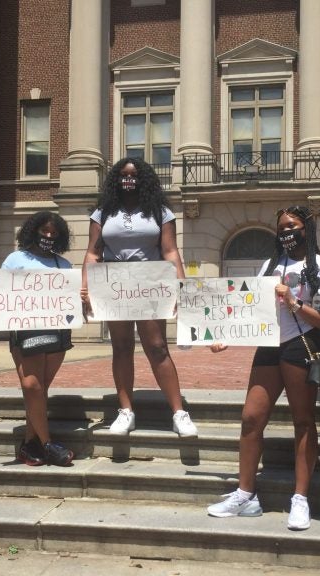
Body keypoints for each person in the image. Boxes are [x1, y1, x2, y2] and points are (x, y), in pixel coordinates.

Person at [206, 205, 320, 530]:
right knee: (251, 418)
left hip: (301, 346)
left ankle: (300, 498)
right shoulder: (269, 264)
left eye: (292, 226)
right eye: (281, 227)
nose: (286, 232)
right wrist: (225, 335)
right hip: (268, 346)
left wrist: (294, 303)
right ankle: (246, 493)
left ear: (306, 229)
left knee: (303, 422)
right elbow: (249, 307)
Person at [81, 157, 198, 438]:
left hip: (150, 281)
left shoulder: (160, 211)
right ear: (115, 179)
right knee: (120, 347)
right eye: (122, 175)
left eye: (133, 175)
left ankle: (179, 412)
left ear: (143, 179)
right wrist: (84, 286)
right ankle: (126, 411)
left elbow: (170, 251)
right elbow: (93, 253)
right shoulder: (103, 212)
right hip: (113, 282)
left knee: (157, 347)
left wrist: (181, 285)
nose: (128, 179)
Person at [0, 211, 75, 467]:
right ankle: (48, 445)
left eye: (54, 233)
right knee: (32, 387)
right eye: (45, 231)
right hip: (25, 331)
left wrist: (81, 298)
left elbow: (71, 300)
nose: (49, 236)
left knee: (39, 389)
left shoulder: (63, 265)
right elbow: (0, 292)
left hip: (57, 332)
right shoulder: (16, 258)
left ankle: (28, 446)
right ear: (34, 231)